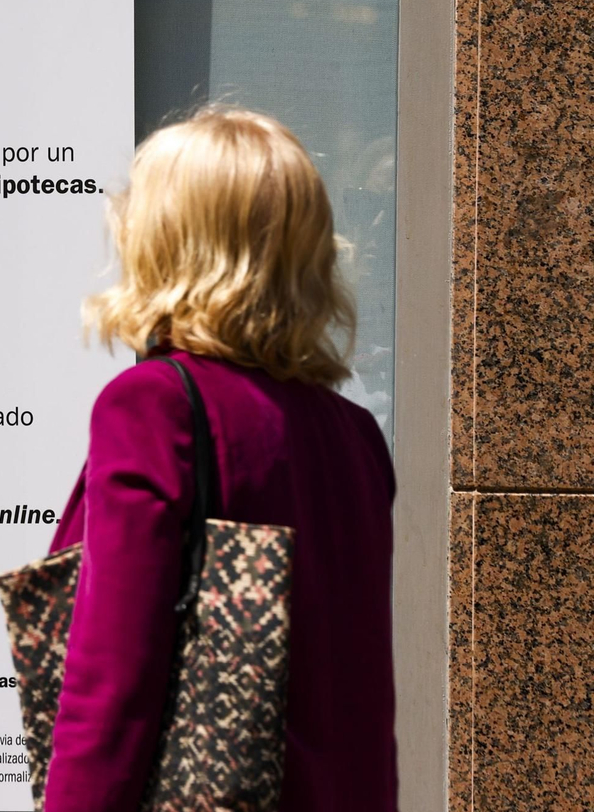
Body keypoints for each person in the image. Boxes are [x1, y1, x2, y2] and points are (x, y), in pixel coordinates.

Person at [43, 105, 396, 811]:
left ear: (168, 243)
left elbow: (115, 679)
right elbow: (359, 691)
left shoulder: (154, 408)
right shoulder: (354, 438)